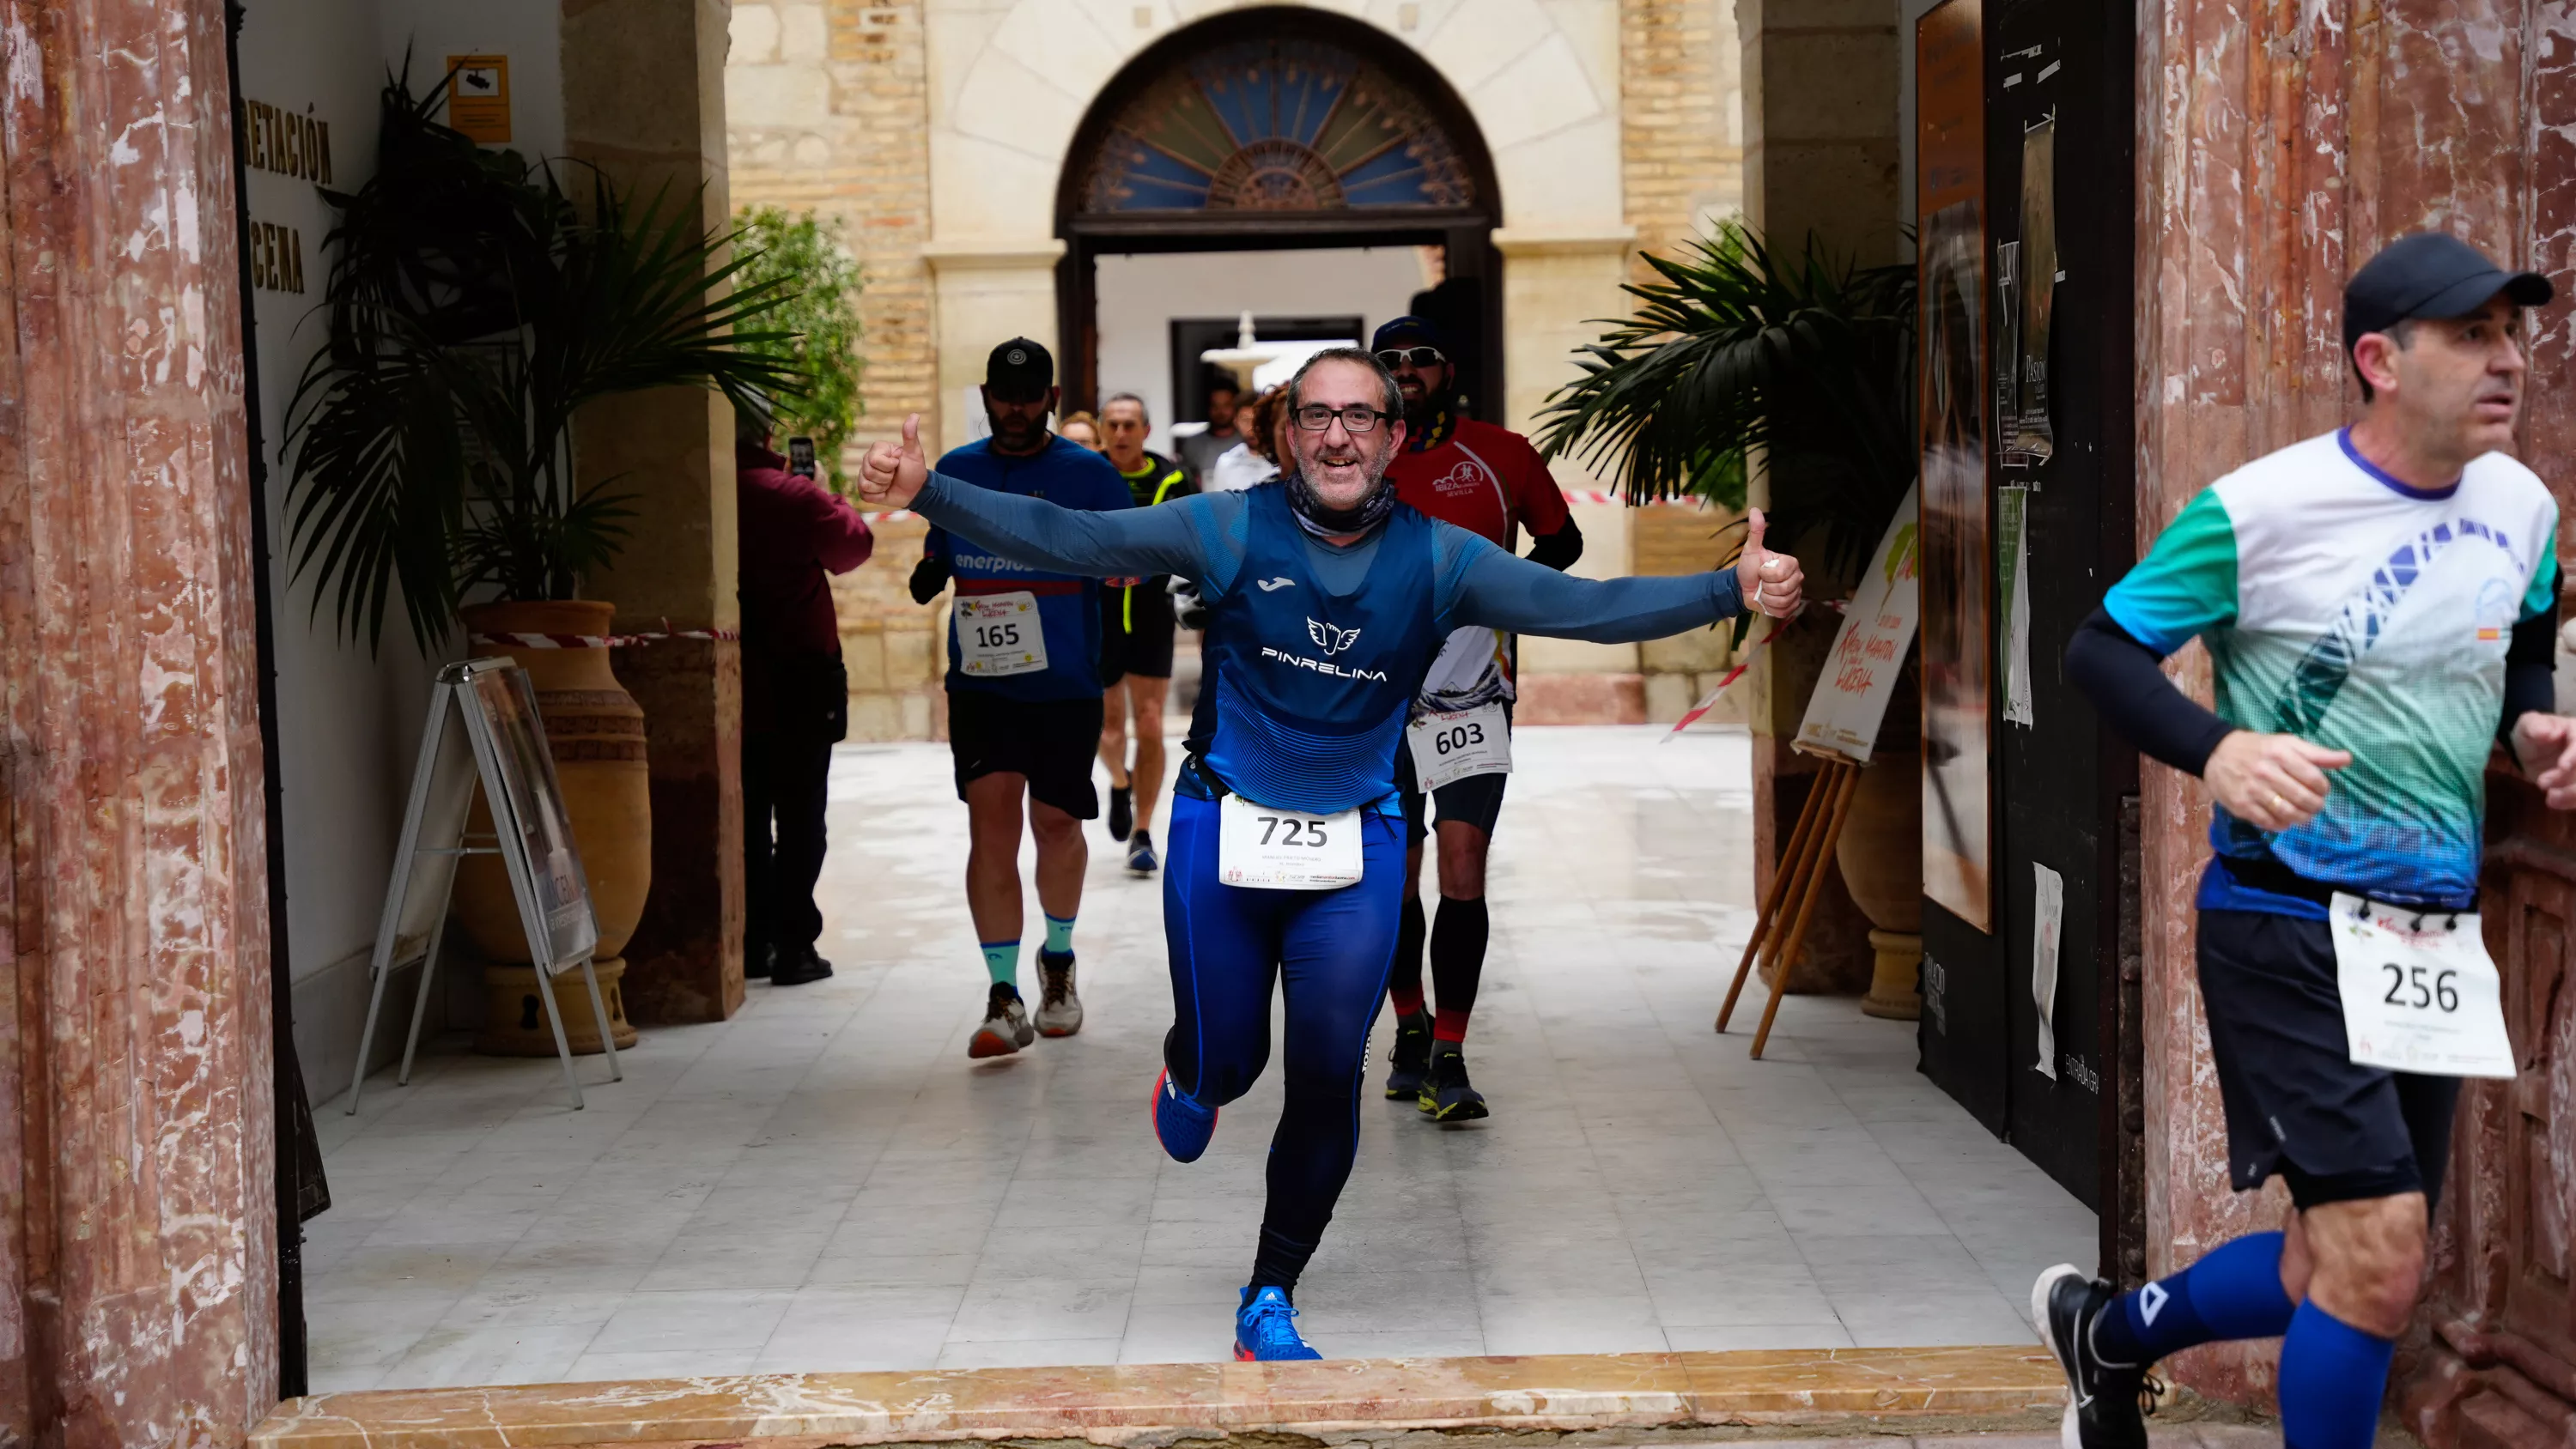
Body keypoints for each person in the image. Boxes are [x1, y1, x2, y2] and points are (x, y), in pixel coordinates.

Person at [860, 346, 1803, 1361]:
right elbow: (1074, 536)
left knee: (1325, 1073)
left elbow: (1583, 605)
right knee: (1231, 1061)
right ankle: (1191, 1070)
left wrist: (1728, 587)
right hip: (1221, 830)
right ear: (1285, 434)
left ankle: (1271, 1289)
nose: (1340, 434)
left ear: (1396, 439)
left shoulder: (1442, 558)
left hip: (1357, 843)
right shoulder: (1225, 527)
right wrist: (929, 493)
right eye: (1317, 416)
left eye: (1362, 416)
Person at [2044, 233, 2574, 1449]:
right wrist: (2216, 750)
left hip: (2430, 936)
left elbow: (2527, 629)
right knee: (2381, 1259)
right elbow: (2099, 649)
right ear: (2379, 360)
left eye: (2512, 334)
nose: (2507, 362)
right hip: (2284, 918)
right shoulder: (2258, 510)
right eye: (2472, 336)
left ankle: (2108, 1335)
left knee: (2336, 1256)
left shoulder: (2523, 504)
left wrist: (2539, 721)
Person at [1369, 316, 1586, 1120]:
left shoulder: (1501, 453)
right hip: (1375, 697)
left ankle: (1451, 1055)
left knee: (1463, 864)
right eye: (1390, 363)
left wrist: (1500, 596)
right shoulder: (1358, 456)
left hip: (1471, 693)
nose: (1407, 371)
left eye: (1421, 359)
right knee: (1393, 873)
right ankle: (1410, 1027)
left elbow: (1563, 543)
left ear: (1447, 369)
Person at [906, 339, 1133, 1057]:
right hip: (982, 683)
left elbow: (1129, 557)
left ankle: (1058, 963)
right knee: (991, 828)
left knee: (1058, 827)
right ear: (985, 395)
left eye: (1030, 395)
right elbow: (942, 546)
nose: (1016, 408)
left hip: (1065, 684)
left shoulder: (1090, 475)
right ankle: (1002, 995)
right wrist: (933, 571)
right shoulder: (958, 471)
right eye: (1004, 396)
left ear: (1051, 395)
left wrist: (1127, 572)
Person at [738, 404, 875, 986]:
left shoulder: (703, 492)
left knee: (742, 814)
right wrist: (824, 491)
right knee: (800, 816)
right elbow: (853, 548)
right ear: (767, 433)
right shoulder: (790, 495)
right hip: (801, 676)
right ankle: (795, 946)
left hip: (733, 677)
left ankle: (747, 943)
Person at [1096, 391, 1193, 875]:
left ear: (1146, 431)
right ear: (1100, 430)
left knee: (1150, 724)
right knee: (1109, 729)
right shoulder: (1085, 474)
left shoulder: (1171, 479)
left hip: (1151, 614)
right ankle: (1118, 780)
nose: (1120, 434)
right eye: (1112, 424)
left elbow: (1191, 538)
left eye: (1129, 424)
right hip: (1099, 614)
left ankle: (1143, 831)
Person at [1176, 373, 1242, 487]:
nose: (1221, 412)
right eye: (1215, 406)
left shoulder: (1246, 442)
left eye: (1226, 405)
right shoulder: (1193, 445)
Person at [1206, 392, 1278, 493]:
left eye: (1256, 420)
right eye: (1246, 420)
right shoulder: (1226, 463)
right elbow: (1219, 506)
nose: (1252, 427)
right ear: (1236, 422)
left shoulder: (1282, 462)